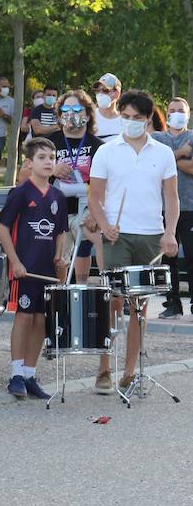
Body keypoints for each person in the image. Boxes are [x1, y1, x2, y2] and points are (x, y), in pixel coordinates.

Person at [88, 90, 179, 395]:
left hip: (151, 235)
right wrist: (104, 226)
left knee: (138, 306)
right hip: (118, 234)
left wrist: (169, 232)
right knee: (112, 301)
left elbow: (171, 197)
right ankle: (103, 368)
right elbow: (95, 197)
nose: (130, 123)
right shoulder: (106, 151)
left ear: (148, 119)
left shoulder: (163, 153)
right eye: (125, 117)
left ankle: (129, 371)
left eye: (136, 118)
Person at [0, 137, 67, 401]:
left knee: (41, 319)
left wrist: (60, 254)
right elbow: (3, 228)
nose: (48, 162)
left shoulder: (58, 196)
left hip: (46, 270)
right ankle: (15, 373)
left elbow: (61, 231)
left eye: (52, 157)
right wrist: (14, 261)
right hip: (25, 268)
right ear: (29, 162)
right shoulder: (21, 193)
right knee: (24, 317)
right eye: (42, 157)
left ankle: (29, 373)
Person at [45, 90, 103, 285]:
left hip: (85, 207)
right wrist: (52, 169)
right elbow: (28, 173)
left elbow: (106, 184)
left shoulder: (98, 146)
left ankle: (82, 289)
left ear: (87, 114)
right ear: (60, 115)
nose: (71, 113)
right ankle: (60, 296)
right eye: (65, 109)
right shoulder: (50, 142)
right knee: (59, 258)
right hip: (57, 209)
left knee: (88, 242)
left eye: (76, 109)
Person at [154, 97, 193, 318]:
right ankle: (173, 304)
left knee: (192, 257)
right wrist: (181, 155)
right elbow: (154, 164)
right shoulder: (157, 137)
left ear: (188, 114)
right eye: (173, 110)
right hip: (163, 208)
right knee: (168, 259)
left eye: (181, 110)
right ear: (166, 114)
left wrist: (168, 159)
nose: (177, 114)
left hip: (190, 207)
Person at [92, 73, 125, 140]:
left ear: (117, 94)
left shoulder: (125, 121)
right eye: (97, 90)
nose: (100, 94)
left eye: (105, 90)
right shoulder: (90, 117)